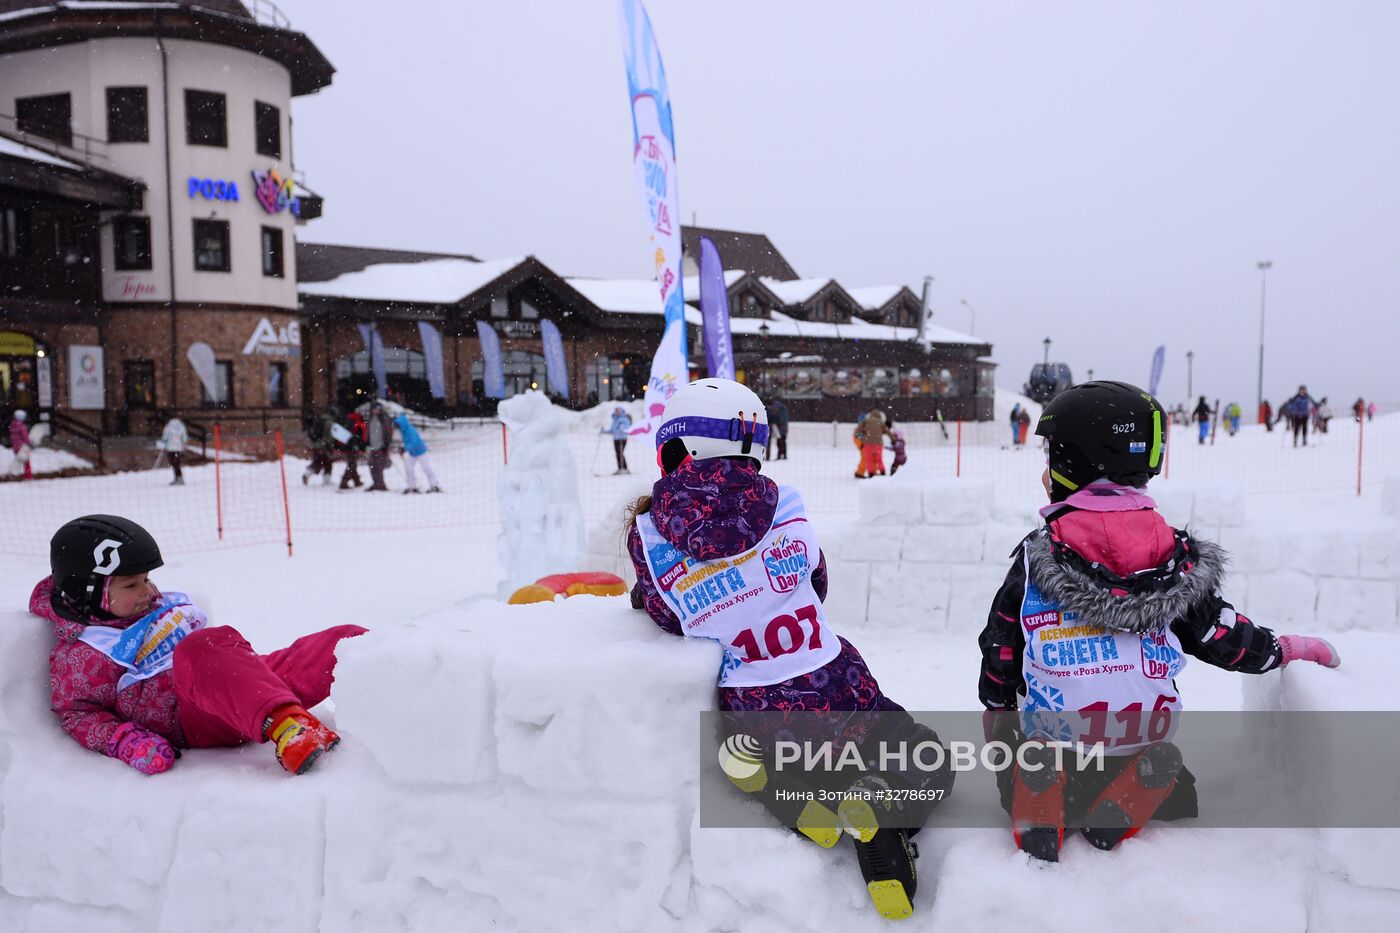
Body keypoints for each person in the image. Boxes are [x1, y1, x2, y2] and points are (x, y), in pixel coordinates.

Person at [977, 381, 1341, 862]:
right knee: (1177, 787)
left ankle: (1040, 789)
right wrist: (1283, 650)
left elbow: (1003, 642)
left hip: (1057, 736)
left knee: (1023, 759)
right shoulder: (1170, 558)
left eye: (1052, 458)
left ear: (1075, 464)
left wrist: (997, 708)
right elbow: (1219, 634)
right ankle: (1143, 783)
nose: (1045, 473)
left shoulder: (1036, 557)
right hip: (1137, 739)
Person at [626, 379, 950, 919]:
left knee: (790, 747)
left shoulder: (650, 532)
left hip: (752, 713)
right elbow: (815, 581)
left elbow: (666, 614)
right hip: (834, 686)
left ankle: (781, 787)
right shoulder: (782, 504)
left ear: (678, 447)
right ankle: (880, 804)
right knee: (925, 754)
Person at [30, 515, 366, 776]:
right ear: (88, 593)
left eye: (147, 579)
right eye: (132, 584)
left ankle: (389, 674)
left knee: (343, 642)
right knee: (200, 647)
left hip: (236, 687)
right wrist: (126, 742)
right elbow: (77, 714)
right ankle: (289, 728)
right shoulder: (84, 653)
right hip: (191, 717)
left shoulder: (147, 607)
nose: (148, 591)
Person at [393, 410, 441, 493]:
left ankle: (434, 486)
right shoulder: (403, 431)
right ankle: (412, 487)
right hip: (412, 453)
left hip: (421, 452)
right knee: (408, 468)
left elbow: (414, 443)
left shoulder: (411, 430)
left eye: (398, 425)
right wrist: (402, 448)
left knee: (426, 468)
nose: (398, 428)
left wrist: (405, 449)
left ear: (402, 424)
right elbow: (407, 443)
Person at [303, 407, 337, 486]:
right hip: (324, 446)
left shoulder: (320, 420)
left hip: (316, 445)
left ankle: (310, 475)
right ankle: (309, 474)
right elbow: (329, 437)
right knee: (325, 463)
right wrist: (330, 446)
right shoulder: (330, 423)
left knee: (320, 462)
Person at [364, 401, 394, 492]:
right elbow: (369, 432)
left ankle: (381, 484)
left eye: (378, 409)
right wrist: (367, 442)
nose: (376, 411)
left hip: (381, 446)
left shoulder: (384, 419)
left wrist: (386, 444)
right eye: (375, 409)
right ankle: (375, 483)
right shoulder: (370, 419)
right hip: (372, 446)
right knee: (372, 466)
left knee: (379, 466)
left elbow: (388, 432)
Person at [854, 409, 892, 478]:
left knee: (869, 459)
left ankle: (871, 473)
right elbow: (887, 431)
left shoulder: (866, 421)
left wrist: (862, 439)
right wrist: (893, 439)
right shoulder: (880, 422)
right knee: (879, 459)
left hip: (868, 444)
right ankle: (882, 472)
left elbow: (857, 433)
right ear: (879, 415)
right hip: (878, 444)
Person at [339, 408, 367, 490]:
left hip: (347, 445)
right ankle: (343, 482)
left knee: (352, 463)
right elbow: (358, 436)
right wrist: (359, 446)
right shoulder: (357, 422)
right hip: (352, 446)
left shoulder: (349, 420)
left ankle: (356, 481)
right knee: (352, 464)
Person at [157, 411, 187, 486]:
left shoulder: (168, 426)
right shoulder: (181, 425)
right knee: (177, 463)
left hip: (171, 448)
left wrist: (163, 444)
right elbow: (184, 436)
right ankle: (179, 477)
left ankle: (177, 478)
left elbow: (165, 436)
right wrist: (183, 445)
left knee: (173, 463)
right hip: (178, 447)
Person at [604, 406, 632, 474]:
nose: (616, 412)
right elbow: (613, 430)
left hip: (622, 438)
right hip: (616, 439)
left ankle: (624, 468)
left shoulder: (624, 419)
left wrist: (622, 427)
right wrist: (604, 431)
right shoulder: (614, 419)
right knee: (618, 453)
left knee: (620, 453)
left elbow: (627, 427)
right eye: (615, 411)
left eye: (618, 411)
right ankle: (620, 468)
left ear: (621, 411)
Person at [7, 408, 32, 480]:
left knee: (18, 461)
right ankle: (28, 477)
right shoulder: (22, 426)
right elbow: (25, 438)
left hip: (15, 447)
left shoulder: (13, 426)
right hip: (22, 447)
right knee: (26, 462)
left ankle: (14, 475)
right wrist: (30, 444)